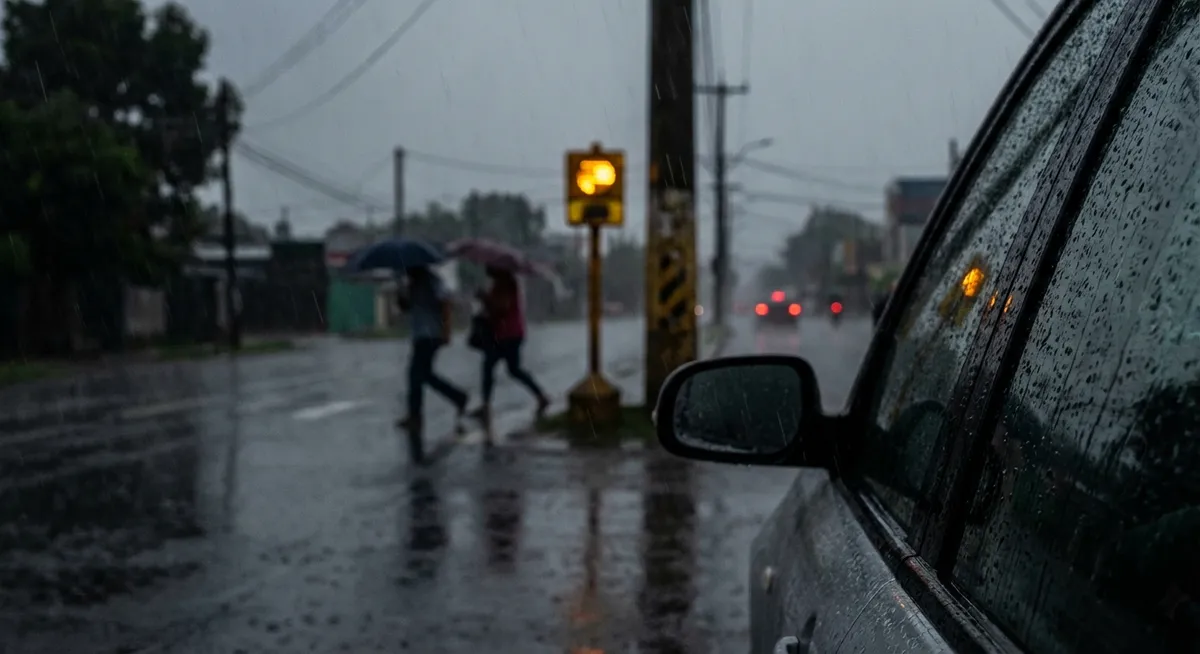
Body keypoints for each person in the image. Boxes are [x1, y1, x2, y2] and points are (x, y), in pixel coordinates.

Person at [396, 265, 469, 462]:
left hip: (431, 334)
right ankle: (457, 398)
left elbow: (446, 303)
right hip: (419, 334)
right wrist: (401, 294)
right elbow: (407, 307)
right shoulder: (412, 283)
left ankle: (416, 416)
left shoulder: (432, 280)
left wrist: (447, 330)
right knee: (423, 375)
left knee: (416, 375)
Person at [470, 266, 550, 432]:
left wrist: (485, 298)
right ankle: (540, 396)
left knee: (501, 367)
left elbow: (502, 307)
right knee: (504, 368)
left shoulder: (507, 284)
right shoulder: (498, 284)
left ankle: (487, 406)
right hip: (504, 333)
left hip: (509, 334)